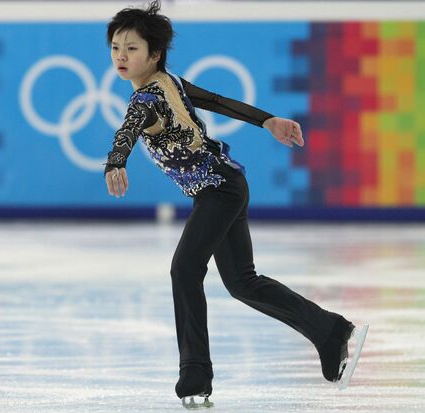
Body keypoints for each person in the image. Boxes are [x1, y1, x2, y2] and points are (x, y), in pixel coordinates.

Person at [103, 0, 366, 408]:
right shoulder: (168, 83)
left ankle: (194, 374)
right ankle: (330, 332)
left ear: (154, 55)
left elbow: (128, 130)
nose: (121, 55)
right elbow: (219, 102)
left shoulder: (147, 100)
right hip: (224, 185)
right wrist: (267, 121)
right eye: (116, 47)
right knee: (242, 282)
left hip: (219, 190)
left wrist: (116, 161)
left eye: (131, 48)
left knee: (184, 269)